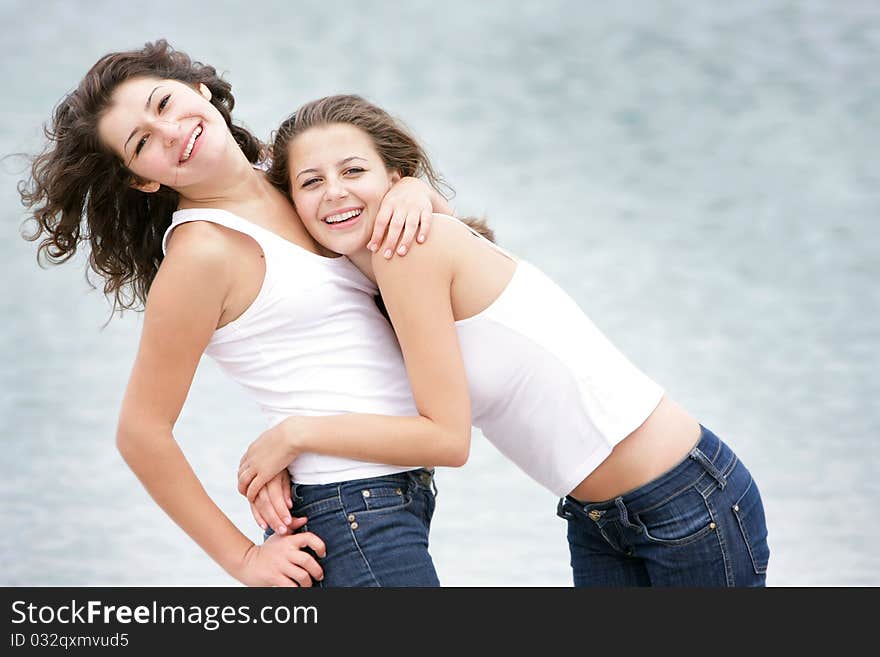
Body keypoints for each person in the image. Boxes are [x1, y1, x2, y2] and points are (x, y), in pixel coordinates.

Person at [238, 94, 771, 586]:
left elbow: (447, 441)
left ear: (394, 176)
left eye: (354, 170)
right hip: (598, 518)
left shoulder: (412, 253)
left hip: (684, 499)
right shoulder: (377, 275)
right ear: (292, 202)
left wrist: (295, 435)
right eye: (311, 181)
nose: (334, 191)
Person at [19, 41, 458, 587]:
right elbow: (141, 432)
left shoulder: (291, 175)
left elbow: (423, 267)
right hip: (346, 514)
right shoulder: (202, 254)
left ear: (199, 90)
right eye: (143, 142)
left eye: (164, 104)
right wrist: (244, 560)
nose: (172, 132)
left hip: (395, 494)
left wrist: (413, 190)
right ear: (141, 179)